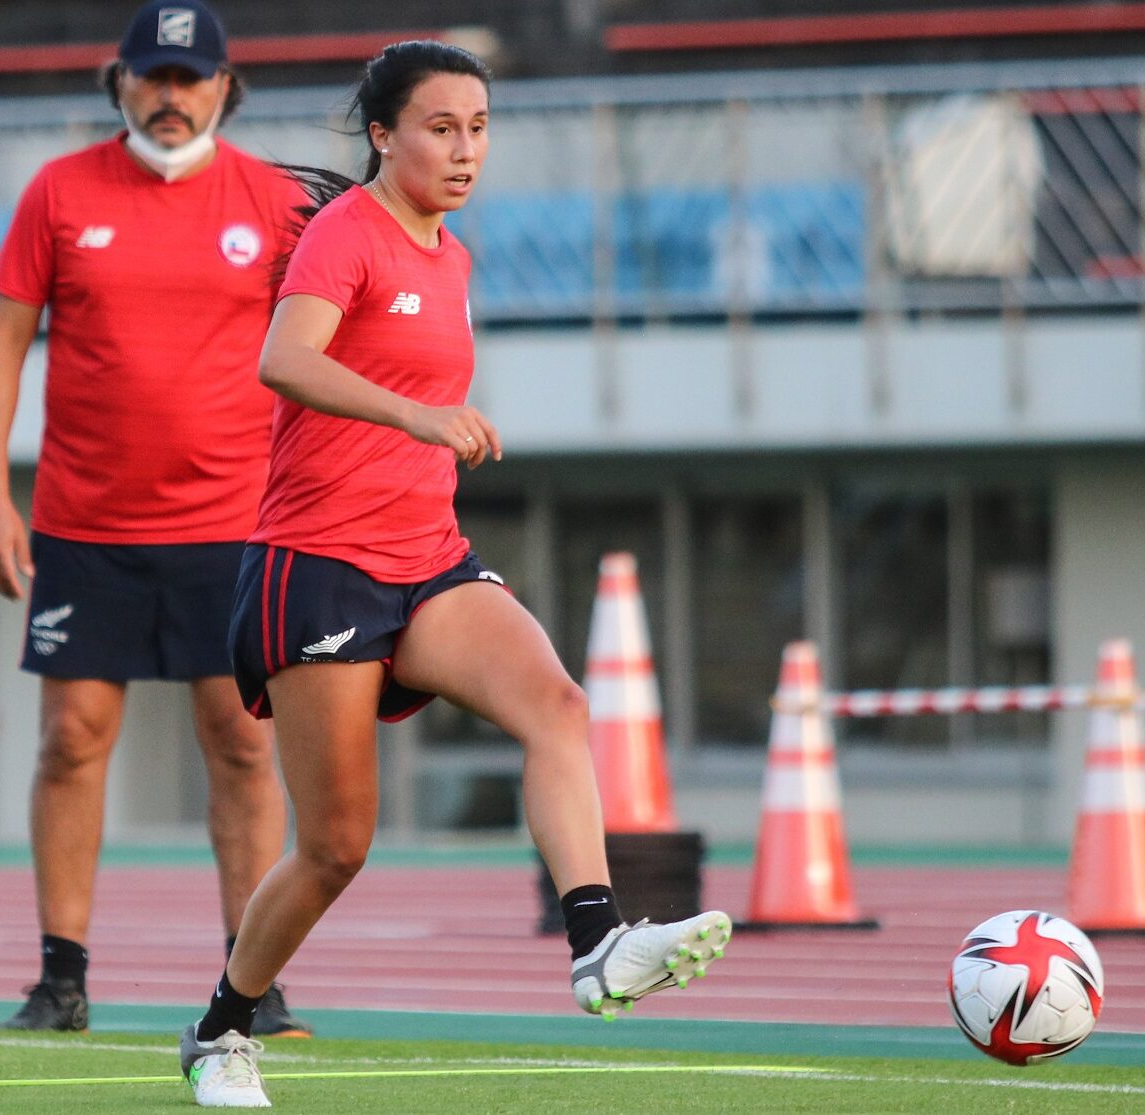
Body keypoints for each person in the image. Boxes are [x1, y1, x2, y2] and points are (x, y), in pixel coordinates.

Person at [174, 40, 731, 1109]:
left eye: (477, 127)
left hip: (425, 557)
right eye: (440, 126)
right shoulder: (346, 234)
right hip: (318, 566)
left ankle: (595, 940)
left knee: (556, 702)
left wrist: (420, 441)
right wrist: (416, 413)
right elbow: (282, 360)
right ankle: (221, 1029)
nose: (464, 148)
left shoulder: (451, 254)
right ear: (382, 134)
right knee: (335, 846)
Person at [0, 0, 309, 1037]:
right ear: (117, 83)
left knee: (242, 746)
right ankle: (60, 977)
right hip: (85, 522)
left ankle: (251, 984)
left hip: (235, 523)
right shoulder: (60, 193)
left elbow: (322, 351)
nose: (170, 96)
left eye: (190, 77)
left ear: (225, 86)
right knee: (71, 739)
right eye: (151, 77)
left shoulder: (275, 203)